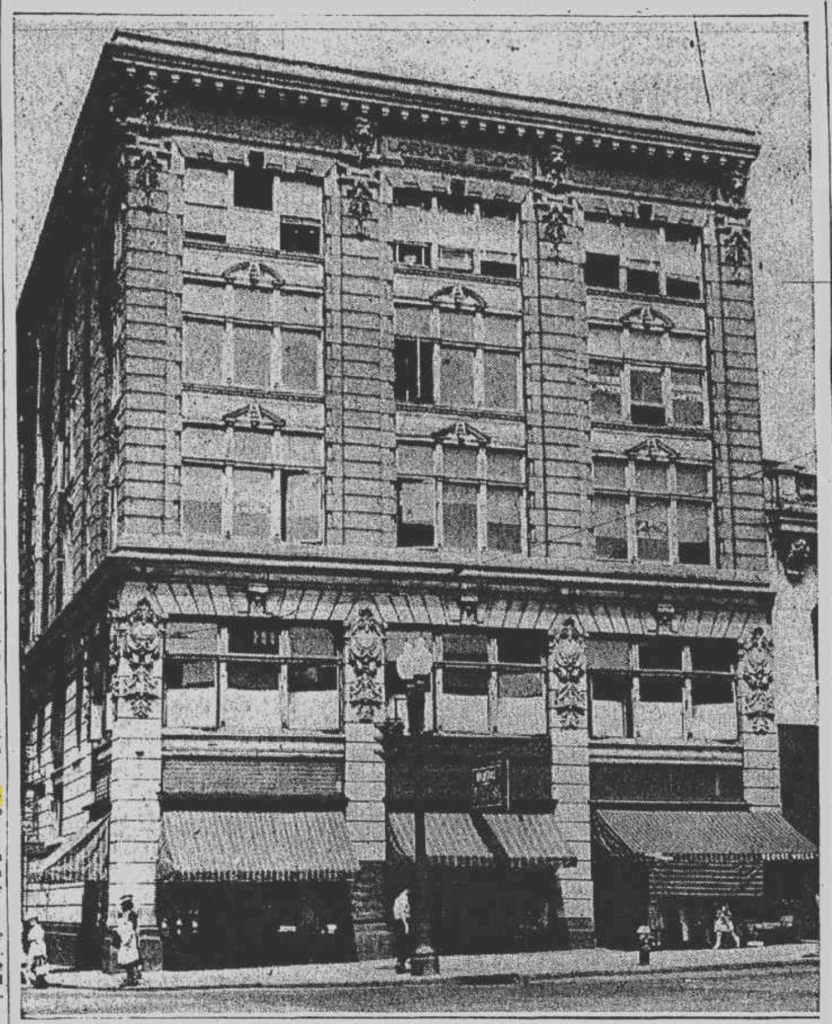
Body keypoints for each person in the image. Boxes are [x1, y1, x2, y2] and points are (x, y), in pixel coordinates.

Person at [115, 895, 142, 986]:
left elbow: (132, 927)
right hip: (124, 938)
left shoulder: (132, 914)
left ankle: (134, 978)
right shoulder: (122, 914)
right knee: (126, 960)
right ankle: (129, 978)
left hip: (130, 939)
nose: (122, 906)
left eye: (123, 905)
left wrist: (128, 939)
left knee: (132, 959)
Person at [25, 915, 49, 988]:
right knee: (34, 967)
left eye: (32, 920)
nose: (30, 922)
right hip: (35, 950)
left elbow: (30, 938)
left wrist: (43, 953)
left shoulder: (37, 929)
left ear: (35, 920)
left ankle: (41, 983)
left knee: (37, 967)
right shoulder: (35, 929)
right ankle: (39, 982)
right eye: (30, 921)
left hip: (37, 951)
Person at [392, 888, 411, 974]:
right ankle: (405, 962)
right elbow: (403, 912)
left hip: (397, 922)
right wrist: (406, 924)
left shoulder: (397, 898)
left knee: (400, 943)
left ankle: (400, 962)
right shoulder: (404, 898)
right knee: (405, 943)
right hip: (402, 921)